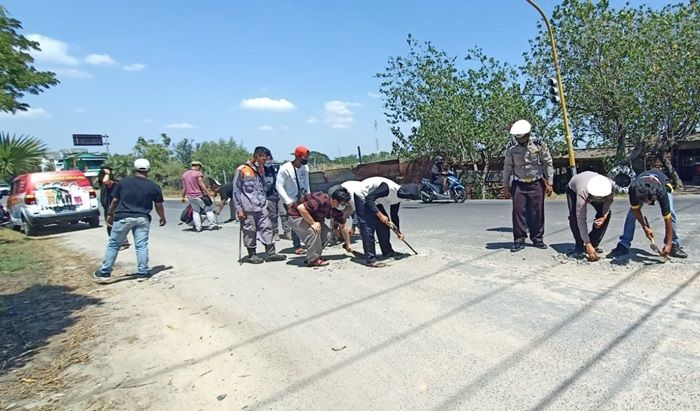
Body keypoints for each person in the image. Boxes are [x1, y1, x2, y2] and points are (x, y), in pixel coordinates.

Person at [93, 159, 166, 282]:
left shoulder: (123, 183)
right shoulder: (154, 186)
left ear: (134, 169)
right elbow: (158, 205)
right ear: (148, 170)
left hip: (122, 217)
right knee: (141, 246)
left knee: (114, 245)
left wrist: (110, 214)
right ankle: (142, 272)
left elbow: (115, 201)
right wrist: (162, 217)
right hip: (142, 218)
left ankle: (105, 273)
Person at [607, 170, 688, 259]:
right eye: (646, 202)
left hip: (662, 182)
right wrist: (645, 227)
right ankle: (624, 245)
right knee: (631, 214)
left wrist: (668, 243)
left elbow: (667, 218)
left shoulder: (661, 192)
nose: (648, 204)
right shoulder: (633, 189)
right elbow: (636, 210)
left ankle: (673, 245)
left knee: (671, 212)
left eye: (650, 201)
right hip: (642, 187)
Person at [502, 119, 554, 252]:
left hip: (536, 182)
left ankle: (537, 238)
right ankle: (519, 240)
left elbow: (547, 163)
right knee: (518, 212)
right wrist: (505, 185)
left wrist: (550, 182)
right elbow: (507, 166)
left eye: (522, 137)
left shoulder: (539, 144)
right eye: (517, 137)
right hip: (519, 183)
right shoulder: (511, 146)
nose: (520, 140)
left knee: (537, 211)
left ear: (528, 133)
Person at [344, 177, 420, 267]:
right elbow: (369, 198)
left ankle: (387, 251)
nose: (408, 200)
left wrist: (398, 232)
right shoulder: (387, 188)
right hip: (362, 195)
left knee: (384, 225)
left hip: (375, 200)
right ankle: (371, 259)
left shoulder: (399, 197)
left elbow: (394, 215)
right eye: (410, 198)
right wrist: (380, 215)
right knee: (368, 227)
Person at [232, 146, 286, 264]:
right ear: (256, 156)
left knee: (267, 227)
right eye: (263, 159)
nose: (265, 162)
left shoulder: (260, 169)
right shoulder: (242, 170)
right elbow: (236, 190)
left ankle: (271, 253)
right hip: (248, 208)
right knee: (249, 230)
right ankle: (252, 254)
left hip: (261, 206)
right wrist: (239, 209)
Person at [287, 188, 352, 267]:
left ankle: (314, 255)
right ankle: (313, 259)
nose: (343, 206)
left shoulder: (337, 210)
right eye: (342, 203)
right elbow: (301, 208)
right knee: (314, 230)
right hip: (296, 217)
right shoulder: (321, 200)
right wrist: (313, 223)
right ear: (335, 201)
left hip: (311, 218)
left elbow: (343, 226)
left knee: (327, 234)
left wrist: (348, 244)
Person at [566, 171, 614, 261]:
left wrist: (603, 216)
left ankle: (593, 244)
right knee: (574, 218)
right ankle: (580, 246)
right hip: (573, 188)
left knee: (606, 214)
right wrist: (587, 243)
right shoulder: (582, 191)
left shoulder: (609, 186)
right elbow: (581, 219)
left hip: (591, 184)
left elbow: (608, 204)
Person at [276, 145, 311, 254]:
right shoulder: (285, 168)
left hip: (303, 198)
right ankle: (297, 246)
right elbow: (279, 185)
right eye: (304, 158)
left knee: (307, 220)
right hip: (291, 200)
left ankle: (309, 243)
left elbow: (306, 183)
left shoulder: (305, 168)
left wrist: (309, 197)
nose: (306, 160)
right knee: (295, 222)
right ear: (297, 157)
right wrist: (287, 201)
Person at [97, 165, 130, 249]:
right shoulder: (107, 184)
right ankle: (121, 242)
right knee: (114, 225)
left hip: (113, 207)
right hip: (111, 207)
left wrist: (107, 173)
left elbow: (105, 180)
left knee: (112, 225)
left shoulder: (111, 183)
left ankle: (120, 243)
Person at [181, 161, 217, 232]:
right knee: (208, 209)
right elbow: (201, 184)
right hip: (199, 195)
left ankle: (198, 227)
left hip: (190, 196)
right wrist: (208, 192)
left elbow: (184, 187)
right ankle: (212, 225)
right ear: (198, 166)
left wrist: (182, 196)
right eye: (200, 167)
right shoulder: (198, 174)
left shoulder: (185, 175)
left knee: (195, 211)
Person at [263, 157, 282, 241]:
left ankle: (287, 232)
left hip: (279, 194)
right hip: (269, 195)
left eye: (270, 159)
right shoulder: (261, 169)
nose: (268, 161)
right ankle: (275, 232)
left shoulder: (277, 167)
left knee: (284, 213)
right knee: (273, 215)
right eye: (267, 159)